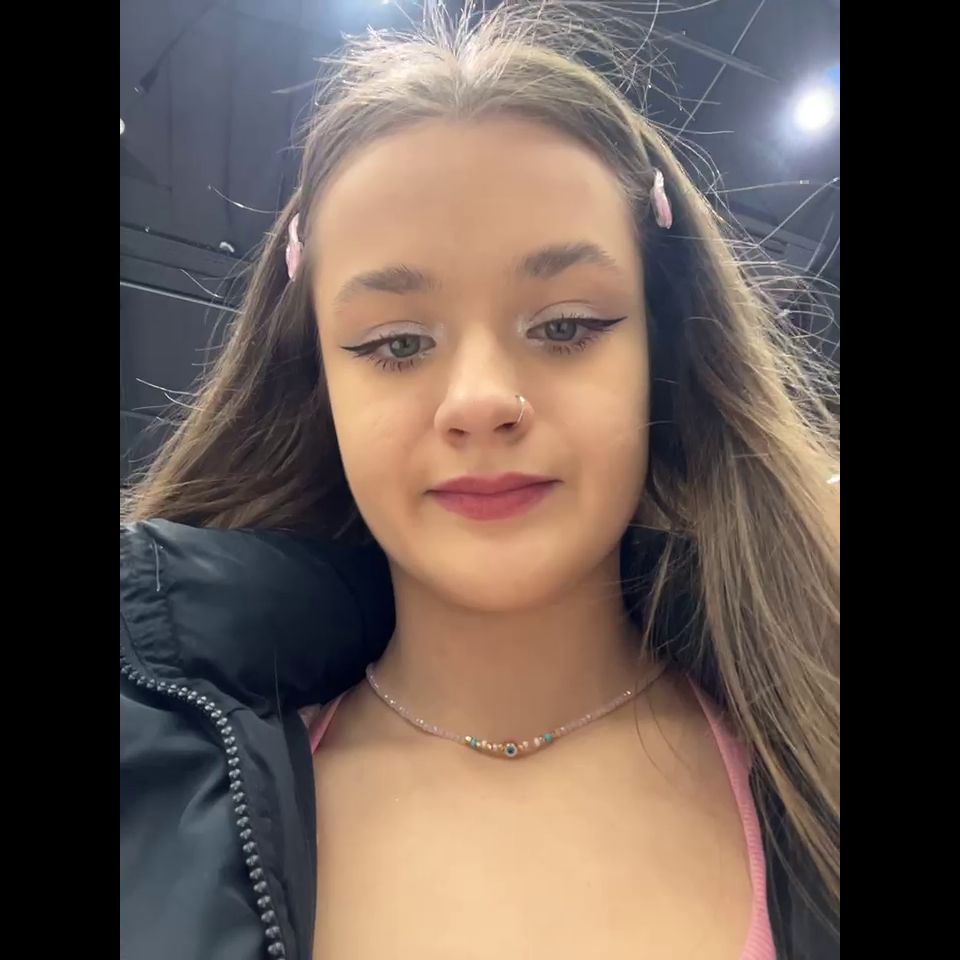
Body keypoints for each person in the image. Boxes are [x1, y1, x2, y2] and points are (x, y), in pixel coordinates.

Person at [120, 4, 839, 959]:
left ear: (662, 353)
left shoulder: (816, 749)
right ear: (318, 384)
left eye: (567, 326)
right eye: (396, 343)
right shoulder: (159, 808)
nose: (481, 402)